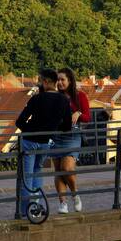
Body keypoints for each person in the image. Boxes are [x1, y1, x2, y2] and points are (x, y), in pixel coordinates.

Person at [13, 69, 73, 218]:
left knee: (27, 176)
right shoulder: (64, 101)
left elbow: (19, 121)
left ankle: (25, 210)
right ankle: (36, 205)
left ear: (46, 82)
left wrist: (30, 131)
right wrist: (50, 128)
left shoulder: (37, 99)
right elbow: (67, 127)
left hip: (29, 141)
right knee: (38, 171)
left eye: (41, 81)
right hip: (46, 142)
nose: (40, 83)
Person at [52, 67, 89, 214]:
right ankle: (63, 204)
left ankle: (75, 194)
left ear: (70, 80)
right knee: (58, 172)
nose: (60, 83)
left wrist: (78, 113)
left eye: (62, 80)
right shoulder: (55, 97)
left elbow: (88, 117)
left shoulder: (79, 96)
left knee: (67, 168)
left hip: (72, 136)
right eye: (58, 80)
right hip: (56, 136)